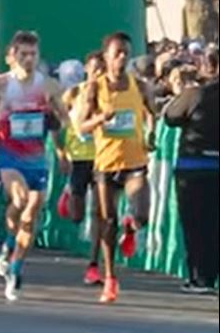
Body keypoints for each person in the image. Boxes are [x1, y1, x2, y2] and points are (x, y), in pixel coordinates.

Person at [0, 31, 66, 301]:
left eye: (33, 54)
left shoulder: (47, 85)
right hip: (9, 156)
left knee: (32, 213)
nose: (28, 59)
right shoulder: (2, 83)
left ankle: (14, 265)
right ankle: (10, 243)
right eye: (23, 54)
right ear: (12, 57)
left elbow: (62, 115)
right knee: (21, 199)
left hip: (37, 158)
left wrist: (63, 137)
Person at [74, 30, 154, 304]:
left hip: (135, 161)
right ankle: (109, 277)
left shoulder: (140, 86)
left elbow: (151, 114)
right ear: (106, 56)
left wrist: (151, 134)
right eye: (117, 53)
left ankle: (132, 227)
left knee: (142, 211)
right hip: (106, 164)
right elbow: (80, 126)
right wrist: (99, 120)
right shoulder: (94, 87)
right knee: (107, 222)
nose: (122, 58)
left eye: (126, 53)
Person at [163, 47, 218, 295]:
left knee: (195, 225)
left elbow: (171, 117)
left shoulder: (195, 93)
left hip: (193, 167)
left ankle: (199, 277)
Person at [59, 54, 105, 285]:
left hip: (101, 158)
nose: (97, 73)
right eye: (94, 69)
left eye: (101, 69)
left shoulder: (108, 95)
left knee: (99, 210)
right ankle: (69, 193)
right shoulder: (74, 93)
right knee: (77, 212)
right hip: (77, 156)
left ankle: (94, 264)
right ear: (87, 68)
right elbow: (59, 122)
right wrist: (61, 153)